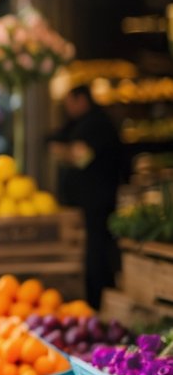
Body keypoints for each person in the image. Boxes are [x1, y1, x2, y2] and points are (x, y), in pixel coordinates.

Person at [48, 84, 123, 308]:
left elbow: (82, 157)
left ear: (82, 100)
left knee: (97, 250)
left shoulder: (97, 123)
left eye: (70, 102)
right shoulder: (81, 122)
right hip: (87, 200)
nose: (68, 108)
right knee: (92, 249)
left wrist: (62, 152)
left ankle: (97, 301)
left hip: (98, 199)